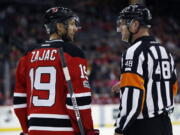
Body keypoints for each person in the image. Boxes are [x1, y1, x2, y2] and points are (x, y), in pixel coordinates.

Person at [13, 7, 99, 135]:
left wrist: (27, 130)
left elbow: (19, 100)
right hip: (64, 130)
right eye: (71, 24)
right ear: (59, 26)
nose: (75, 28)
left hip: (34, 129)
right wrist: (88, 131)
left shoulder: (29, 54)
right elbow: (79, 99)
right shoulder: (72, 52)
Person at [112, 4, 178, 135]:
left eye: (123, 24)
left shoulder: (133, 52)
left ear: (135, 25)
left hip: (142, 126)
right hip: (165, 125)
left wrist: (120, 129)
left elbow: (133, 101)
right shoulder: (164, 51)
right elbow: (172, 87)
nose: (120, 28)